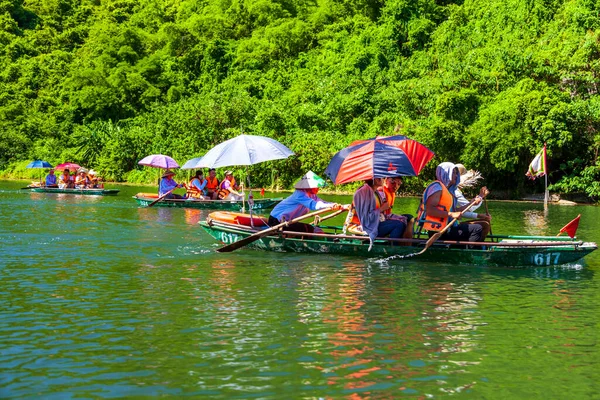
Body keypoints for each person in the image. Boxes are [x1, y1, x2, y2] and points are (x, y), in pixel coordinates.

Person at [416, 162, 491, 245]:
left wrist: (472, 203)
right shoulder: (437, 188)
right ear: (445, 173)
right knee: (477, 228)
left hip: (450, 227)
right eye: (453, 173)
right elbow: (430, 210)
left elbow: (455, 210)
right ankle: (470, 254)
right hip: (440, 231)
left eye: (456, 173)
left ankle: (467, 249)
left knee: (484, 224)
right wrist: (451, 214)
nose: (456, 175)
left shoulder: (449, 190)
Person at [268, 171, 343, 233]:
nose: (318, 188)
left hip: (287, 222)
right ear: (309, 186)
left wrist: (337, 205)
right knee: (313, 230)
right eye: (316, 186)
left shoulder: (311, 195)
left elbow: (323, 203)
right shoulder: (299, 194)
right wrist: (330, 206)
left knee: (315, 230)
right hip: (276, 221)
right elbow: (315, 205)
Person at [344, 178, 407, 248]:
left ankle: (398, 245)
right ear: (377, 180)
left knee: (402, 220)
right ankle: (393, 249)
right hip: (363, 227)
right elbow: (365, 218)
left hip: (373, 224)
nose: (384, 180)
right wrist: (382, 208)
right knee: (398, 225)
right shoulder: (364, 192)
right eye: (382, 178)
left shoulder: (375, 192)